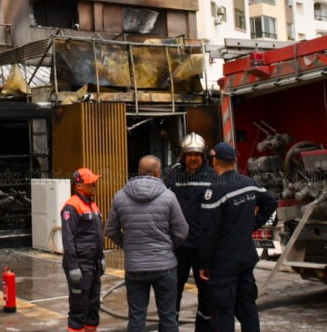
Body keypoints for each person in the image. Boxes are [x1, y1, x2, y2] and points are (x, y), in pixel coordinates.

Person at [198, 143, 277, 332]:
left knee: (222, 311)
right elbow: (271, 202)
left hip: (223, 263)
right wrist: (252, 224)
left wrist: (203, 263)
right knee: (248, 307)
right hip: (245, 258)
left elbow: (208, 233)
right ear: (234, 161)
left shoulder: (215, 191)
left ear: (215, 161)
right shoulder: (249, 183)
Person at [105, 155, 189, 332]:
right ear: (158, 172)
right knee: (168, 316)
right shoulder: (168, 196)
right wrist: (168, 247)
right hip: (164, 266)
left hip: (135, 267)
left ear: (139, 171)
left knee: (136, 317)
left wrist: (128, 245)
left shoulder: (120, 197)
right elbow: (182, 230)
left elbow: (111, 230)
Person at [165, 132, 217, 330]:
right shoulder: (175, 175)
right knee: (173, 291)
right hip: (179, 247)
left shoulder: (212, 177)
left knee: (206, 293)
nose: (193, 158)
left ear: (203, 156)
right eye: (189, 154)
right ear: (183, 156)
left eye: (197, 154)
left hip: (203, 248)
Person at [61, 167, 106, 332]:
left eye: (95, 183)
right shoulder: (71, 207)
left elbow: (97, 234)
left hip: (93, 263)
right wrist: (73, 265)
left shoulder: (92, 205)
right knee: (78, 308)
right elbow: (68, 238)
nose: (94, 186)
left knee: (93, 306)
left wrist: (100, 257)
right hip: (80, 264)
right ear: (79, 186)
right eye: (91, 184)